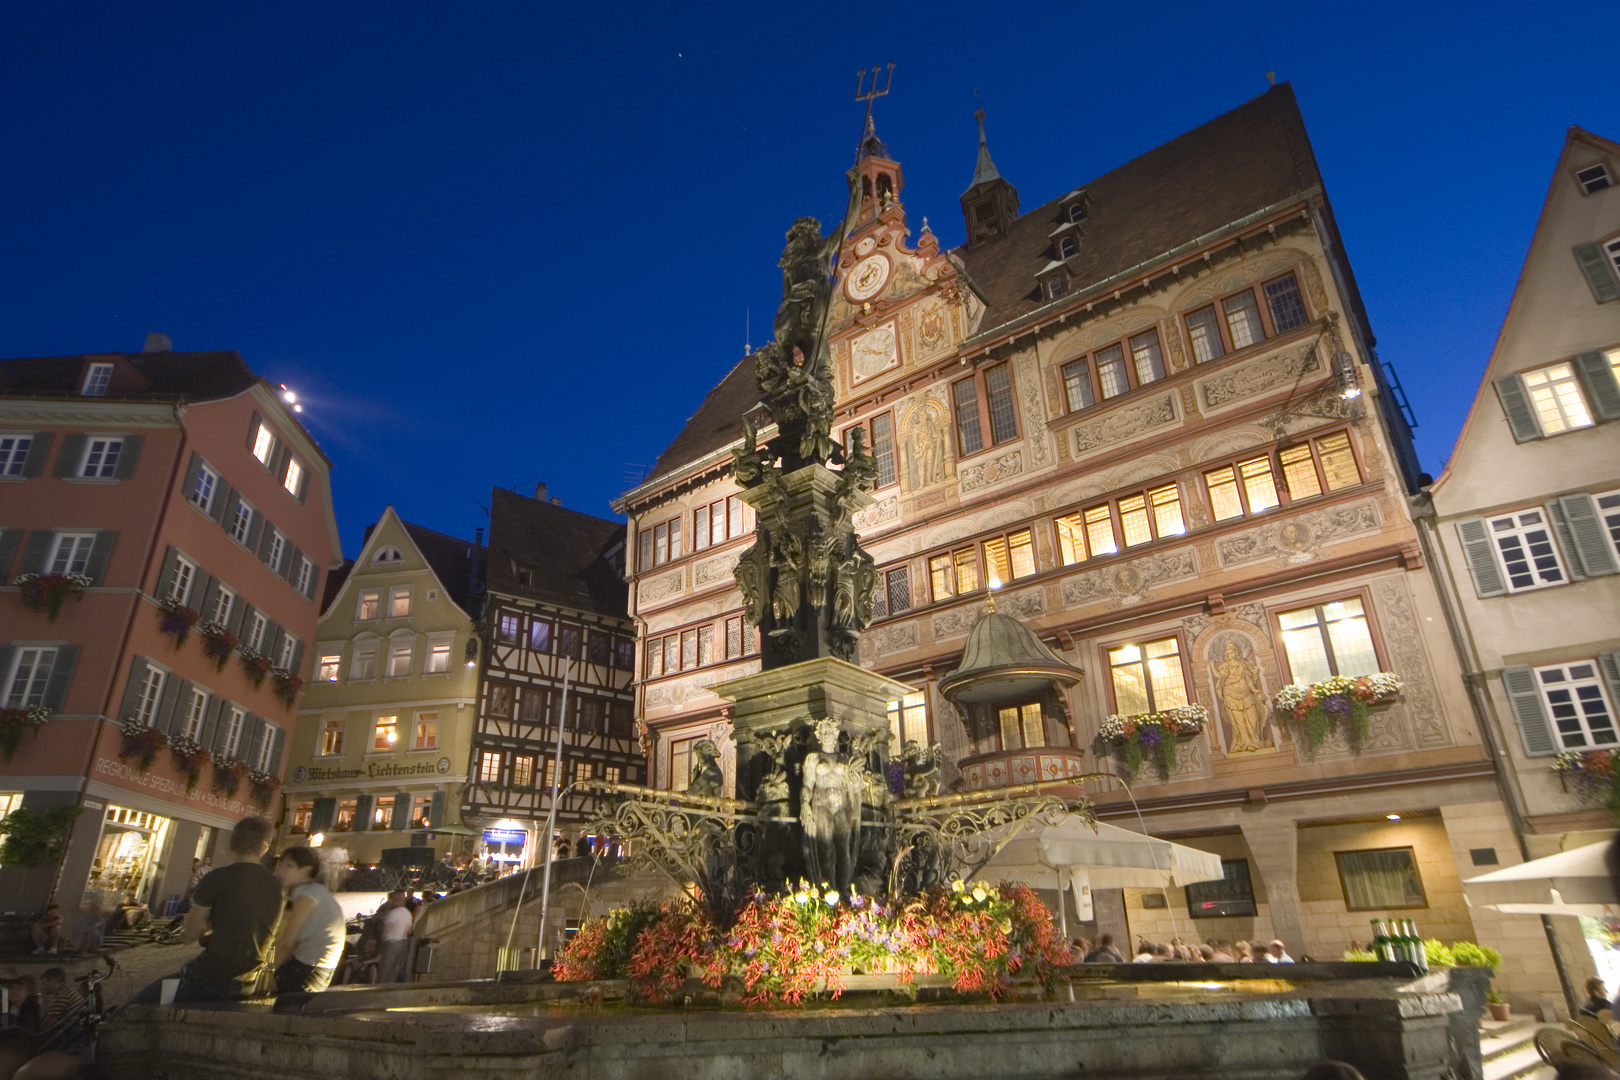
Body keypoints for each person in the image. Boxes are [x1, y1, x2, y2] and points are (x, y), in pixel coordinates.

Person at [129, 816, 283, 1004]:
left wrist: (201, 929)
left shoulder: (216, 878)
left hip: (213, 977)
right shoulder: (277, 886)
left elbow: (189, 935)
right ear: (265, 847)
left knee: (139, 1003)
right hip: (251, 979)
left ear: (232, 844)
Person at [271, 846, 346, 994]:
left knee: (248, 987)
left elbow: (287, 943)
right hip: (319, 970)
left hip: (308, 971)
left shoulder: (306, 896)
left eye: (289, 866)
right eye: (280, 865)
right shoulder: (316, 890)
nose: (281, 872)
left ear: (305, 870)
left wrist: (264, 973)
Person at [377, 892, 414, 983]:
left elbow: (385, 929)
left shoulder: (393, 913)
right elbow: (409, 930)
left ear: (397, 901)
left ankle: (379, 986)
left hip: (390, 942)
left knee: (384, 967)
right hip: (401, 943)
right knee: (394, 967)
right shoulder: (408, 914)